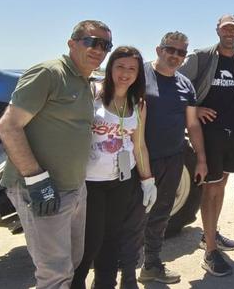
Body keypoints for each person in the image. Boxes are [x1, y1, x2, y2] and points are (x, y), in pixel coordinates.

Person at [0, 20, 112, 289]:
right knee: (54, 272)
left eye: (105, 45)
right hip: (42, 189)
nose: (98, 49)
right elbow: (8, 126)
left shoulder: (84, 81)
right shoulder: (49, 73)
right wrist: (36, 178)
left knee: (72, 262)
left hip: (75, 188)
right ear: (72, 43)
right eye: (91, 42)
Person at [121, 32, 207, 286]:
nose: (175, 56)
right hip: (139, 160)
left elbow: (192, 125)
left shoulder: (185, 85)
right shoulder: (139, 76)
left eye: (181, 52)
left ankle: (151, 265)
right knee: (131, 218)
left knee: (161, 215)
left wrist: (201, 158)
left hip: (173, 159)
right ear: (159, 50)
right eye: (171, 49)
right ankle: (125, 275)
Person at [71, 46, 157, 289]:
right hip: (90, 182)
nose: (125, 73)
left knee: (111, 240)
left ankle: (105, 284)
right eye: (120, 66)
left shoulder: (138, 104)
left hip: (121, 181)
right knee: (89, 244)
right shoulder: (92, 93)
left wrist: (147, 180)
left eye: (132, 69)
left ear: (138, 74)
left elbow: (139, 145)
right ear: (110, 68)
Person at [179, 14, 234, 277]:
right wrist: (195, 108)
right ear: (217, 31)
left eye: (233, 29)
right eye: (225, 29)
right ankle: (210, 251)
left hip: (232, 135)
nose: (229, 33)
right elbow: (177, 84)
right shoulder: (201, 58)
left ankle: (209, 234)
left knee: (220, 187)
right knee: (210, 190)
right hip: (208, 136)